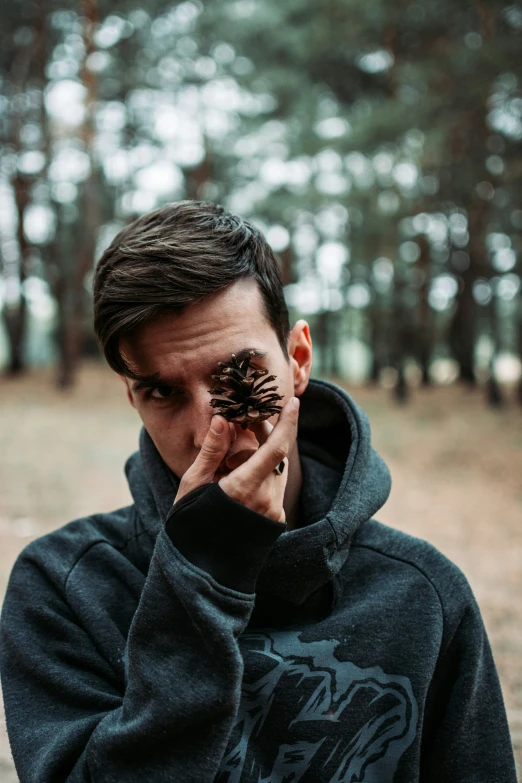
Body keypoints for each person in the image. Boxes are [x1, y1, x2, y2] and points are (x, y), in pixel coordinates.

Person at [0, 200, 516, 782]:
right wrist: (200, 572)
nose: (208, 432)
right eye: (163, 393)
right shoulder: (65, 588)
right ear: (132, 397)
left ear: (297, 359)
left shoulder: (423, 597)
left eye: (239, 377)